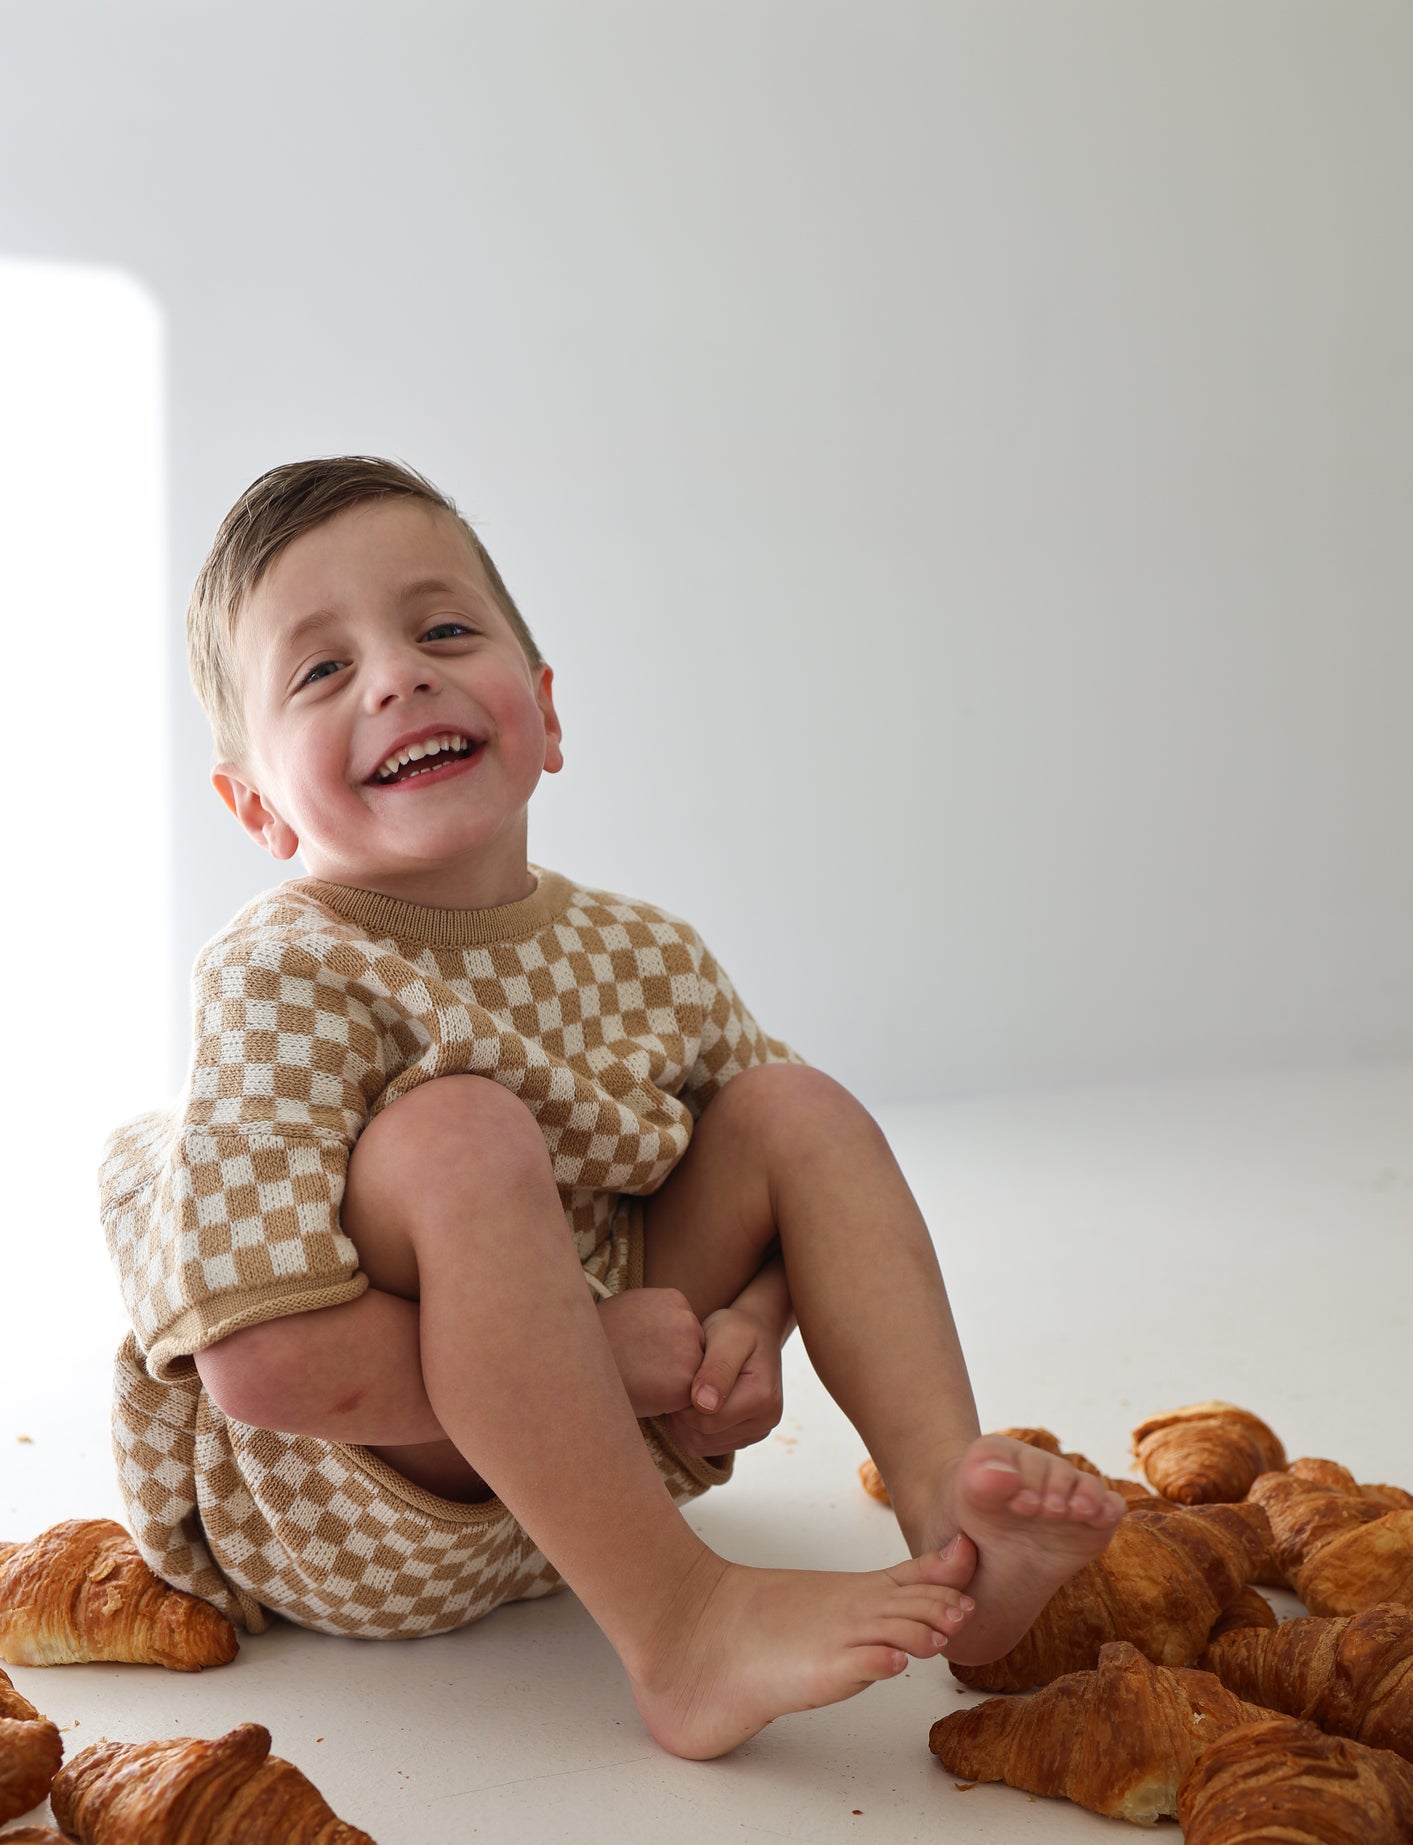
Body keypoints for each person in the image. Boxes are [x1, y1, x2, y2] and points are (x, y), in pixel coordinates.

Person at [101, 455, 1123, 1761]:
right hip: (364, 1510)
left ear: (543, 709)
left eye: (444, 630)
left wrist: (743, 1328)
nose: (398, 675)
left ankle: (948, 1511)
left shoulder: (649, 955)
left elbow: (787, 1216)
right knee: (456, 1133)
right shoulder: (284, 969)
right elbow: (261, 1366)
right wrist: (593, 1349)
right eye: (319, 671)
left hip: (610, 1468)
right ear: (253, 808)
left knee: (791, 1108)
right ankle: (680, 1632)